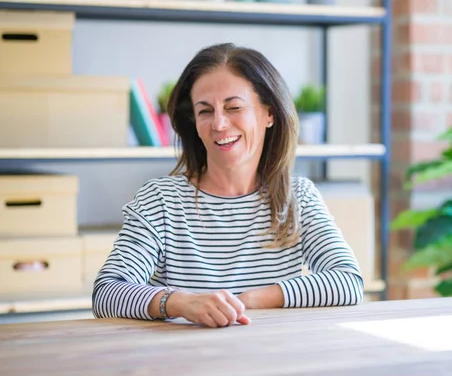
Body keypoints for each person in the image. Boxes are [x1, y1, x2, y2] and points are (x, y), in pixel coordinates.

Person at [92, 43, 364, 328]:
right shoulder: (160, 200)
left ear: (268, 113)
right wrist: (182, 303)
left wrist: (250, 300)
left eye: (234, 107)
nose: (219, 124)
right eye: (205, 111)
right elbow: (107, 292)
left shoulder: (299, 198)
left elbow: (348, 281)